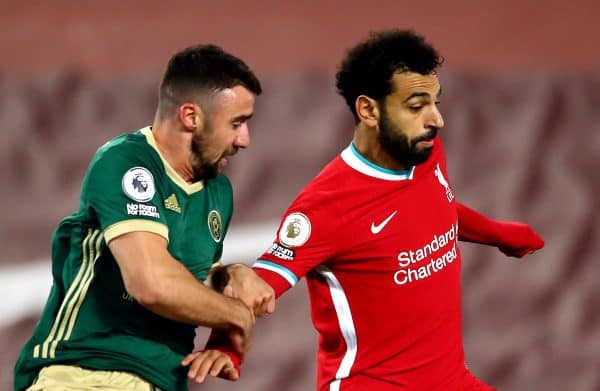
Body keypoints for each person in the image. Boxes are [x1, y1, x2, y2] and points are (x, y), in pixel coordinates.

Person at [186, 30, 545, 390]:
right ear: (369, 110)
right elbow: (260, 283)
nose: (437, 119)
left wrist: (499, 234)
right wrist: (224, 348)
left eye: (436, 103)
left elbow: (437, 208)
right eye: (417, 106)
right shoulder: (326, 206)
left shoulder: (425, 153)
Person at [14, 44, 264, 391]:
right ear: (191, 117)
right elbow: (151, 284)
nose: (244, 140)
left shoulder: (217, 190)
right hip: (85, 372)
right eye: (236, 123)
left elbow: (190, 277)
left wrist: (232, 277)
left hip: (162, 380)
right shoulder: (127, 162)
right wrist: (236, 315)